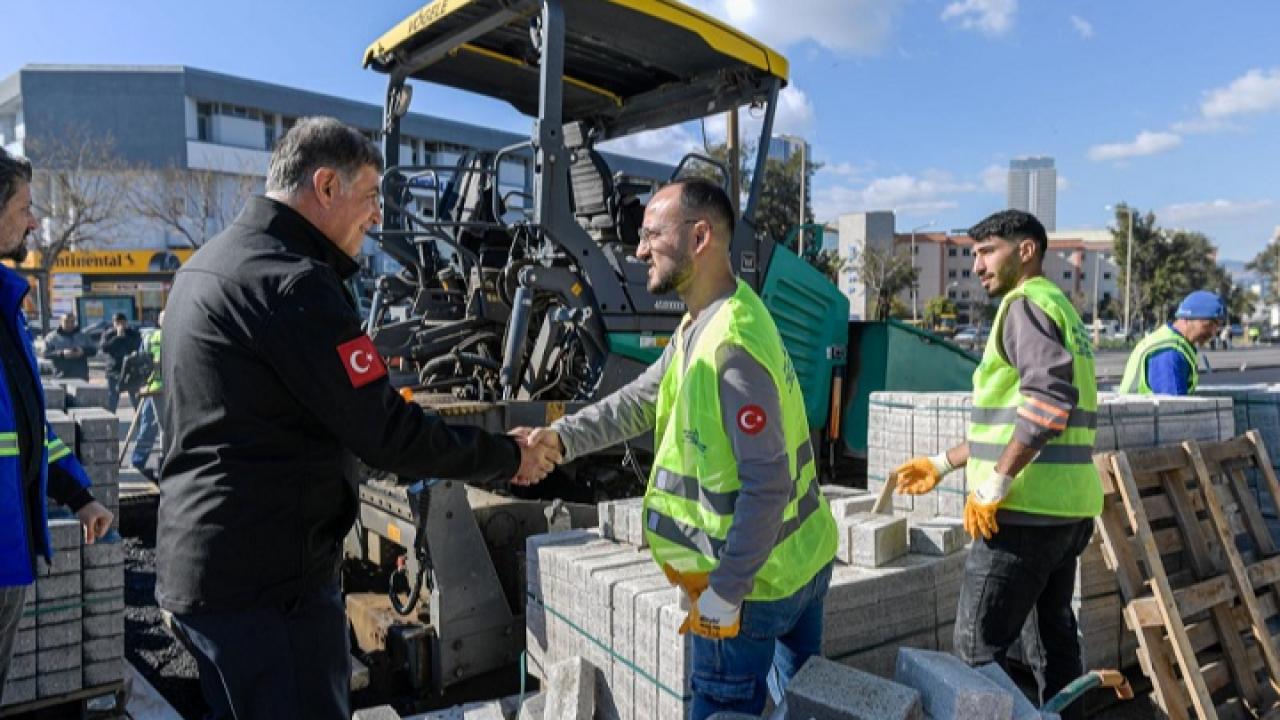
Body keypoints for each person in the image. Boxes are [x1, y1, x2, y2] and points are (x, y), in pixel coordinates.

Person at [155, 117, 559, 720]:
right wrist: (508, 455)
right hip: (271, 592)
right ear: (325, 186)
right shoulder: (293, 285)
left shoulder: (207, 266)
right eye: (370, 196)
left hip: (206, 572)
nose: (376, 217)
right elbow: (387, 434)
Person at [516, 178, 837, 720]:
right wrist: (562, 437)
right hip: (801, 559)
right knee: (808, 706)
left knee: (723, 709)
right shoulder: (709, 317)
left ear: (700, 237)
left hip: (754, 588)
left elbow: (768, 483)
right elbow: (642, 398)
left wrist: (725, 592)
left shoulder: (730, 345)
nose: (640, 250)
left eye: (652, 235)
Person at [893, 210, 1101, 720]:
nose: (977, 265)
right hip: (1066, 512)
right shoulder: (1061, 308)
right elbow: (1014, 419)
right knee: (1052, 641)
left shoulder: (1023, 306)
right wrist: (943, 463)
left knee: (974, 655)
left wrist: (996, 482)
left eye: (988, 252)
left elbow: (1048, 402)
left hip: (1022, 517)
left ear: (1026, 251)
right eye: (974, 253)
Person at [0, 148, 113, 697]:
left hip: (9, 553)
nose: (34, 222)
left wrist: (77, 494)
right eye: (24, 207)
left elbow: (23, 426)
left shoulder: (6, 303)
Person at [1118, 290, 1223, 395]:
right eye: (1208, 325)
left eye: (1217, 326)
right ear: (1188, 319)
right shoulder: (1169, 352)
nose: (1213, 332)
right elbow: (1172, 402)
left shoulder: (1175, 343)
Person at [129, 312, 163, 481]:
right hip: (153, 389)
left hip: (172, 389)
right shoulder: (151, 337)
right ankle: (137, 463)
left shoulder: (178, 334)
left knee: (169, 431)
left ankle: (167, 462)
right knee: (148, 427)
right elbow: (140, 362)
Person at [99, 312, 142, 412]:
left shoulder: (133, 333)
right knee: (112, 398)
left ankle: (140, 418)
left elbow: (136, 345)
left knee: (135, 398)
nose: (120, 325)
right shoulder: (108, 334)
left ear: (126, 322)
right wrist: (117, 337)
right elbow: (104, 348)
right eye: (117, 323)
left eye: (122, 322)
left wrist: (124, 337)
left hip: (131, 370)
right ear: (113, 323)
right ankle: (110, 419)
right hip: (113, 370)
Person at [42, 313, 94, 380]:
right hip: (61, 375)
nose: (69, 324)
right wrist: (62, 354)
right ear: (60, 321)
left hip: (81, 376)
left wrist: (83, 351)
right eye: (66, 321)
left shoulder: (83, 336)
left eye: (72, 322)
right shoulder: (51, 337)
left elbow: (93, 350)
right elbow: (45, 354)